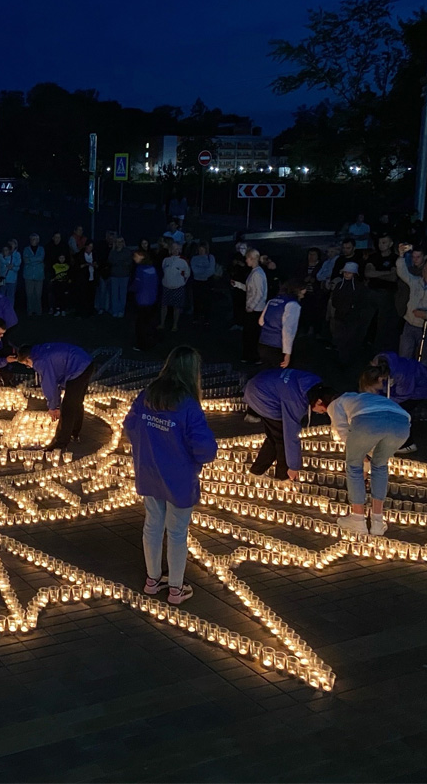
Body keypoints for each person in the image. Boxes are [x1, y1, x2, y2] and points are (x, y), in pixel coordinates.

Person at [123, 346, 218, 605]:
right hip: (179, 479)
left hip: (149, 472)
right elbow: (205, 448)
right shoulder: (188, 405)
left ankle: (152, 580)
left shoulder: (147, 396)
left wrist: (147, 449)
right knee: (177, 532)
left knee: (152, 525)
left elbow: (130, 425)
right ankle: (176, 588)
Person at [326, 384, 411, 537]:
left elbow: (344, 431)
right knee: (380, 465)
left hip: (368, 421)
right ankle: (378, 521)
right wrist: (367, 455)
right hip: (402, 423)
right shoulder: (364, 398)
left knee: (354, 466)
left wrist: (359, 454)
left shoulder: (336, 403)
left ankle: (358, 519)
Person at [244, 368, 331, 481]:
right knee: (282, 439)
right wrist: (293, 467)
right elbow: (290, 435)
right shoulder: (295, 401)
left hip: (259, 384)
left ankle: (256, 472)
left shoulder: (313, 383)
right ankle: (283, 477)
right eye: (323, 410)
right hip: (262, 396)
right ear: (319, 401)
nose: (320, 413)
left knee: (274, 437)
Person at [16, 343, 93, 452]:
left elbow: (50, 385)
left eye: (27, 364)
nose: (29, 367)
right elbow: (55, 380)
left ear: (28, 359)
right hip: (87, 363)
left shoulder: (40, 362)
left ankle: (60, 443)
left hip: (78, 369)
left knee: (68, 407)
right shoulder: (40, 351)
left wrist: (53, 407)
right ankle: (74, 432)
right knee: (76, 402)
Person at [366, 352, 427, 454]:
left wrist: (385, 402)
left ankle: (408, 444)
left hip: (421, 388)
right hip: (403, 387)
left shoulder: (402, 374)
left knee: (399, 412)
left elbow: (403, 396)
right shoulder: (379, 364)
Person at [395, 244, 427, 367]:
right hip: (410, 324)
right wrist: (401, 256)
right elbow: (402, 272)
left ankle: (423, 384)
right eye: (425, 266)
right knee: (404, 356)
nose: (426, 269)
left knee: (424, 360)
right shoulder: (415, 281)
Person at [257, 278, 305, 369]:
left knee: (267, 374)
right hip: (278, 348)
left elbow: (261, 322)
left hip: (263, 343)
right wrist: (287, 354)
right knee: (281, 377)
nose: (304, 293)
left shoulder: (272, 301)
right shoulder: (293, 305)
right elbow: (288, 331)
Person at [363, 235, 400, 351]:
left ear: (390, 244)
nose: (381, 245)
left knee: (383, 322)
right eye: (380, 242)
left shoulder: (396, 258)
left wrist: (376, 273)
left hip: (387, 294)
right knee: (366, 319)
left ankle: (379, 347)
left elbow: (393, 277)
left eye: (384, 242)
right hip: (372, 292)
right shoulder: (373, 257)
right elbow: (368, 273)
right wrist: (386, 272)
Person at [329, 262, 370, 365]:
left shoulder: (359, 287)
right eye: (345, 272)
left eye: (349, 273)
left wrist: (352, 308)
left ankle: (346, 361)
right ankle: (341, 360)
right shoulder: (339, 285)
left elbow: (362, 302)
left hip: (352, 318)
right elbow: (334, 300)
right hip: (340, 317)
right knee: (340, 339)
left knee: (349, 340)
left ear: (354, 274)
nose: (346, 274)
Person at [233, 248, 267, 363]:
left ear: (252, 259)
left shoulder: (257, 274)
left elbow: (259, 293)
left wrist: (251, 306)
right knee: (249, 333)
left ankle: (252, 356)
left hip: (255, 310)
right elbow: (251, 289)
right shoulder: (255, 272)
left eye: (247, 258)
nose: (246, 260)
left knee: (251, 334)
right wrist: (238, 285)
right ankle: (248, 355)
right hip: (253, 309)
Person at [131, 247, 160, 351]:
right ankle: (151, 341)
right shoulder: (152, 268)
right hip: (152, 299)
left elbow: (137, 285)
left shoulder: (140, 269)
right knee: (149, 322)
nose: (134, 258)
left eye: (136, 256)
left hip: (142, 300)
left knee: (141, 324)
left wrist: (131, 289)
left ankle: (142, 344)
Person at [160, 242, 190, 332]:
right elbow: (163, 270)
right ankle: (162, 324)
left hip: (178, 287)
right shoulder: (166, 260)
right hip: (166, 286)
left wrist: (182, 282)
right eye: (174, 248)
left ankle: (175, 325)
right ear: (170, 250)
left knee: (176, 307)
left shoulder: (183, 261)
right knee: (164, 306)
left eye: (177, 249)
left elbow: (187, 274)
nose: (175, 250)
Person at [188, 242, 215, 324]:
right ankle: (196, 317)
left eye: (202, 249)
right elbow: (194, 270)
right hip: (197, 282)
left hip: (206, 282)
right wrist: (203, 272)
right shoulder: (194, 258)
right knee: (197, 300)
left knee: (207, 300)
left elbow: (211, 270)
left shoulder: (210, 257)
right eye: (199, 249)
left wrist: (203, 274)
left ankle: (207, 318)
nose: (201, 251)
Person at [106, 236, 132, 319]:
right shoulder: (112, 252)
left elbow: (128, 262)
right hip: (114, 275)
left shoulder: (127, 251)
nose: (119, 243)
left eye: (121, 241)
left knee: (122, 294)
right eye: (118, 241)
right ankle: (115, 310)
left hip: (124, 276)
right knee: (114, 294)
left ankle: (121, 310)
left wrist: (118, 262)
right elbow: (110, 261)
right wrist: (121, 261)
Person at [20, 233, 45, 317]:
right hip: (28, 275)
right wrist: (36, 260)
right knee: (29, 294)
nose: (33, 241)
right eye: (32, 239)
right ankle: (30, 311)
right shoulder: (26, 249)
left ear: (38, 240)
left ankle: (38, 311)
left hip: (39, 275)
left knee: (38, 294)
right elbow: (26, 260)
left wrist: (31, 260)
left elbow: (41, 258)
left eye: (35, 239)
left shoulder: (41, 249)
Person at [74, 240, 97, 317]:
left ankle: (90, 311)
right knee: (82, 295)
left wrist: (95, 265)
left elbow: (98, 264)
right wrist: (86, 264)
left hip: (92, 277)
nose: (90, 248)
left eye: (91, 247)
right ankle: (81, 311)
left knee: (91, 295)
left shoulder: (95, 255)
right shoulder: (80, 255)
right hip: (83, 279)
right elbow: (77, 267)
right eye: (89, 246)